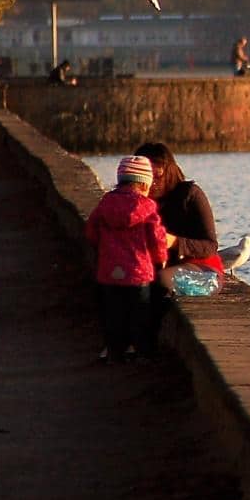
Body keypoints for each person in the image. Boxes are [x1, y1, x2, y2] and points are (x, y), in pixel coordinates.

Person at [84, 154, 167, 363]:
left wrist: (102, 247)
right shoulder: (148, 207)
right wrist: (160, 259)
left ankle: (114, 352)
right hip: (139, 272)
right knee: (140, 314)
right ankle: (142, 352)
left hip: (109, 271)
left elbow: (91, 231)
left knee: (113, 315)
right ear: (144, 184)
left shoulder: (106, 203)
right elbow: (156, 238)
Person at [133, 142, 224, 325]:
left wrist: (174, 242)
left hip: (204, 272)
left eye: (157, 173)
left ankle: (142, 341)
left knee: (160, 281)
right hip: (158, 268)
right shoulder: (138, 202)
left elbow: (210, 245)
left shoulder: (190, 195)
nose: (153, 182)